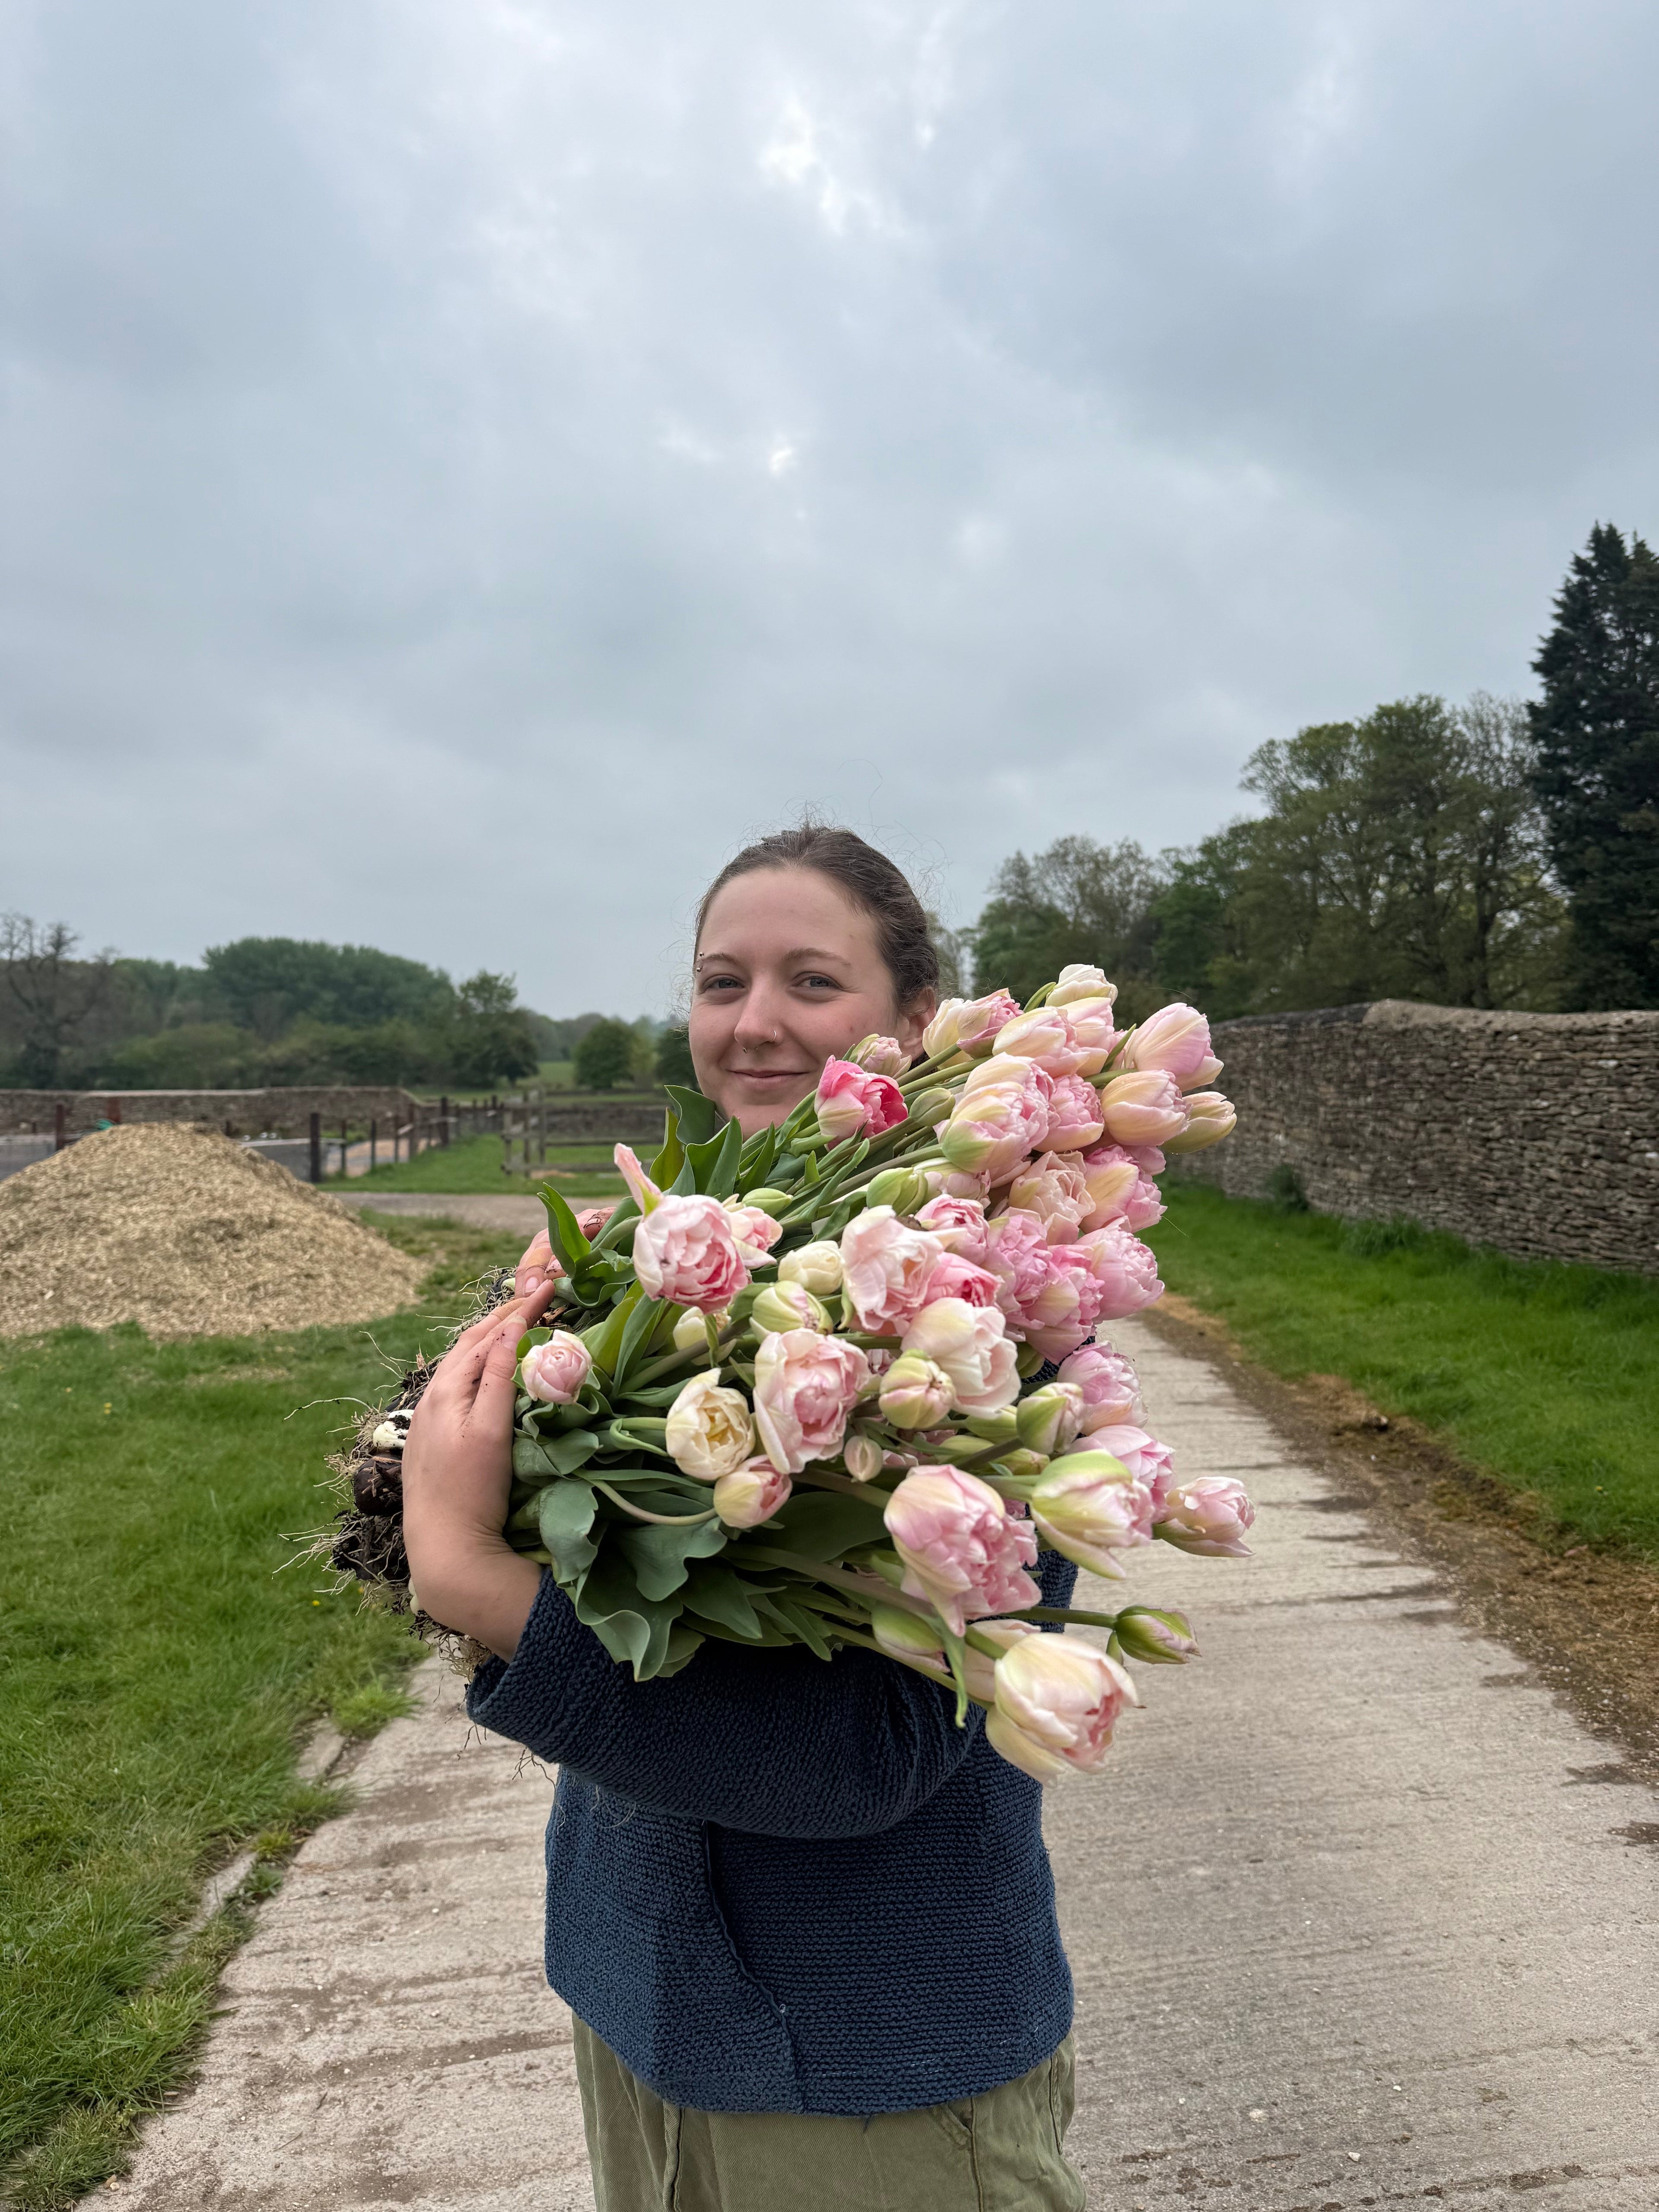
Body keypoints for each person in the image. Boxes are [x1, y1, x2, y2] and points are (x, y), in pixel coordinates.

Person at [402, 827, 1088, 2212]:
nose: (755, 1022)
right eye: (723, 982)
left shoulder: (988, 1343)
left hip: (868, 2067)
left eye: (810, 982)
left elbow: (860, 1761)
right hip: (639, 2004)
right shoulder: (668, 1273)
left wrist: (474, 1579)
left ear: (916, 1028)